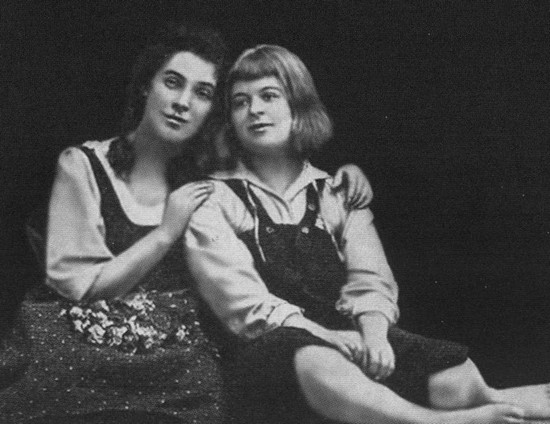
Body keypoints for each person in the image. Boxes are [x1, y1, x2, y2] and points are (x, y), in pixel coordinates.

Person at [0, 24, 372, 424]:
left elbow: (286, 175)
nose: (182, 103)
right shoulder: (83, 165)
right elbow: (80, 286)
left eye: (203, 93)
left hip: (177, 364)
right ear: (146, 87)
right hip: (78, 348)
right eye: (172, 83)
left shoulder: (214, 178)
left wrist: (344, 180)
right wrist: (165, 234)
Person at [185, 44, 550, 424]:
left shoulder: (337, 192)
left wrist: (374, 335)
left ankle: (496, 403)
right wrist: (326, 337)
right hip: (269, 350)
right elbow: (242, 303)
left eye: (269, 96)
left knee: (455, 379)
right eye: (240, 102)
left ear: (299, 105)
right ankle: (433, 422)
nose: (254, 110)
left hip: (347, 335)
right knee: (317, 359)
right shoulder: (215, 197)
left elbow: (370, 278)